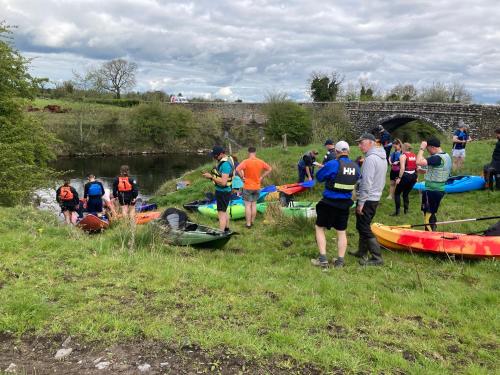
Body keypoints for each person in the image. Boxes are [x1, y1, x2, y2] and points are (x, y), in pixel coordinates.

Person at [311, 141, 360, 268]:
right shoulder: (356, 166)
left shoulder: (333, 164)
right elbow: (358, 179)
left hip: (329, 202)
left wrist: (325, 170)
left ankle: (323, 260)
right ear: (348, 151)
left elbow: (319, 177)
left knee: (319, 227)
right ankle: (340, 261)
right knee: (341, 231)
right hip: (345, 204)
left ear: (336, 152)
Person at [348, 133, 387, 266]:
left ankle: (377, 257)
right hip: (375, 197)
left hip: (368, 198)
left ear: (371, 142)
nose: (359, 146)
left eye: (361, 143)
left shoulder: (370, 159)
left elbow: (366, 182)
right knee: (361, 225)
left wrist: (361, 202)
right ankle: (361, 251)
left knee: (364, 227)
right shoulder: (382, 157)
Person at [416, 137, 452, 231]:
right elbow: (438, 170)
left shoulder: (437, 158)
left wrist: (422, 148)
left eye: (428, 149)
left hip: (432, 190)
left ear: (433, 147)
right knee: (432, 214)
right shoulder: (446, 156)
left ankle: (429, 236)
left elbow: (418, 161)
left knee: (427, 216)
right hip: (439, 189)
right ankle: (433, 231)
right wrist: (423, 171)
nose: (428, 152)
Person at [235, 147, 272, 228]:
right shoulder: (260, 161)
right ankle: (252, 222)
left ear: (249, 152)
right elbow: (269, 169)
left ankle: (248, 224)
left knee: (248, 206)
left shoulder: (246, 161)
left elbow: (237, 169)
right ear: (255, 152)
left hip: (247, 186)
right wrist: (262, 177)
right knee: (254, 205)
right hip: (257, 186)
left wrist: (242, 177)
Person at [202, 146, 234, 232]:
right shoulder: (227, 158)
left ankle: (221, 233)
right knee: (225, 210)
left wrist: (211, 177)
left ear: (221, 154)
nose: (214, 157)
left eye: (215, 156)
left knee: (221, 213)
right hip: (226, 191)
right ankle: (226, 229)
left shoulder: (225, 165)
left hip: (223, 192)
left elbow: (223, 182)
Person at [391, 143, 418, 216]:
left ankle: (397, 212)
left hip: (405, 176)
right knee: (405, 194)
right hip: (413, 176)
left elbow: (402, 168)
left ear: (403, 148)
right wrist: (417, 176)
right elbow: (416, 166)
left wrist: (399, 178)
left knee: (397, 193)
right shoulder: (414, 155)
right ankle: (406, 211)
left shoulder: (403, 156)